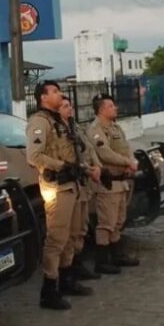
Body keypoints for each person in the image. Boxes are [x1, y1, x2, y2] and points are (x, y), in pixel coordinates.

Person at [26, 81, 93, 310]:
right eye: (54, 92)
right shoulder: (39, 122)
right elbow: (34, 156)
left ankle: (67, 279)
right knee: (56, 240)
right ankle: (49, 288)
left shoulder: (59, 122)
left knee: (72, 236)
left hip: (71, 184)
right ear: (43, 98)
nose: (59, 94)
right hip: (57, 187)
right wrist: (60, 166)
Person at [87, 94, 141, 275]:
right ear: (101, 109)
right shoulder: (96, 129)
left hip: (121, 182)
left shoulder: (115, 127)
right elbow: (105, 154)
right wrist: (127, 162)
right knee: (106, 223)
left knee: (118, 220)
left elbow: (125, 147)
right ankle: (101, 260)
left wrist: (130, 162)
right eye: (111, 106)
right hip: (107, 183)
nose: (115, 108)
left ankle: (117, 255)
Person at [57, 95, 102, 281]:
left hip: (82, 182)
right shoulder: (57, 131)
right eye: (66, 106)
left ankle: (77, 263)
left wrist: (97, 166)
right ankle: (67, 271)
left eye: (70, 106)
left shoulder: (74, 127)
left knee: (81, 228)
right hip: (70, 182)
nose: (70, 109)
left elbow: (89, 149)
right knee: (69, 232)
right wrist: (89, 169)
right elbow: (67, 160)